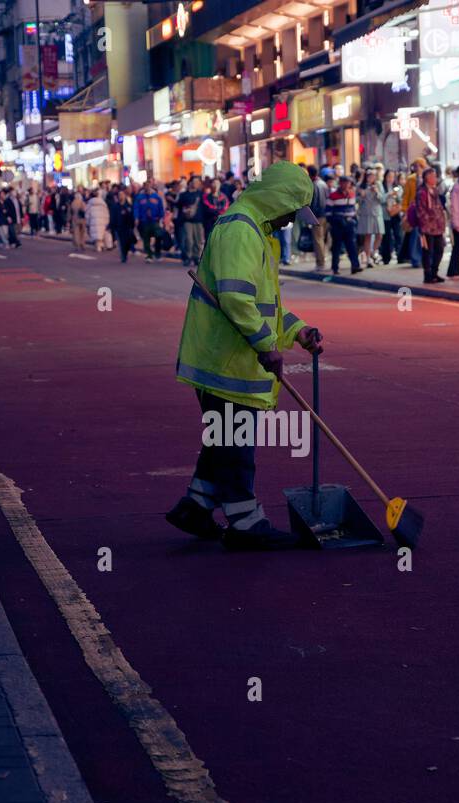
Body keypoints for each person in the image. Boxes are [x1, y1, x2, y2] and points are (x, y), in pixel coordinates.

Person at [168, 161, 324, 550]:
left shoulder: (255, 229)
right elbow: (236, 300)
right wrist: (266, 347)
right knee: (235, 444)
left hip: (230, 359)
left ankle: (196, 507)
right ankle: (246, 524)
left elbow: (263, 304)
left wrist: (297, 331)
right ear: (276, 201)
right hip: (226, 361)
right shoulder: (240, 229)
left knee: (223, 440)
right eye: (290, 212)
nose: (291, 222)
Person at [414, 167, 447, 284]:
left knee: (440, 249)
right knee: (428, 251)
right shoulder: (422, 192)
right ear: (426, 178)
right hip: (427, 227)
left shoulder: (435, 190)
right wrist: (426, 222)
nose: (435, 178)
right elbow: (420, 210)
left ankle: (434, 272)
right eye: (432, 176)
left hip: (437, 226)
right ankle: (427, 274)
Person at [327, 175, 362, 274]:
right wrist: (335, 221)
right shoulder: (333, 196)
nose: (347, 185)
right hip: (338, 224)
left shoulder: (352, 194)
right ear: (340, 183)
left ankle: (355, 266)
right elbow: (328, 212)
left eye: (348, 183)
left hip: (350, 224)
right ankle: (335, 268)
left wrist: (354, 220)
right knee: (336, 247)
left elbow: (353, 209)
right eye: (345, 182)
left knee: (352, 245)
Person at [401, 157, 427, 268]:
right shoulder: (410, 179)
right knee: (415, 234)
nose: (417, 168)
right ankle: (415, 259)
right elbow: (406, 196)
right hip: (414, 210)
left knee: (425, 235)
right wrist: (405, 210)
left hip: (425, 210)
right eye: (415, 166)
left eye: (419, 166)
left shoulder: (427, 178)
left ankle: (424, 258)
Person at [357, 168, 385, 266]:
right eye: (369, 176)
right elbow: (357, 200)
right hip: (366, 213)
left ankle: (373, 252)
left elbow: (383, 199)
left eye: (373, 176)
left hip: (377, 213)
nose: (371, 178)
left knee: (380, 235)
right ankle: (368, 258)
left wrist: (377, 192)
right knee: (368, 235)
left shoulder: (378, 185)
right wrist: (362, 196)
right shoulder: (361, 186)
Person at [177, 175, 205, 267]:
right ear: (190, 183)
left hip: (198, 220)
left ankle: (196, 257)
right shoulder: (184, 194)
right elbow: (179, 206)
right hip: (187, 220)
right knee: (189, 240)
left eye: (198, 182)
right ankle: (188, 257)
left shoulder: (201, 194)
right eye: (195, 182)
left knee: (198, 240)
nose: (197, 184)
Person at [133, 182, 165, 262]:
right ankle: (149, 255)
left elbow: (161, 208)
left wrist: (161, 217)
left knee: (158, 236)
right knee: (146, 239)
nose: (147, 187)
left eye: (148, 186)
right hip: (144, 221)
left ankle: (157, 253)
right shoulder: (140, 197)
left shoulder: (156, 197)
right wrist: (136, 218)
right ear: (144, 187)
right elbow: (136, 208)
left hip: (155, 220)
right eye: (146, 186)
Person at [380, 170, 404, 265]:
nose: (390, 179)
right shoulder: (382, 187)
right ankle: (386, 257)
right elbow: (381, 199)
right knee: (386, 237)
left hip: (395, 214)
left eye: (392, 177)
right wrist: (389, 194)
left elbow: (400, 199)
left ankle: (400, 255)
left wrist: (396, 194)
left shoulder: (397, 187)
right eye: (389, 176)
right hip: (385, 214)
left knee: (398, 235)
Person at [114, 190, 138, 263]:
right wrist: (112, 226)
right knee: (121, 242)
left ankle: (126, 252)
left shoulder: (129, 206)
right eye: (119, 195)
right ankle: (123, 256)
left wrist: (133, 224)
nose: (120, 196)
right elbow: (113, 217)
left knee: (128, 242)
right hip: (119, 227)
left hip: (128, 226)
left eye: (122, 195)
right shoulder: (116, 206)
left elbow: (132, 216)